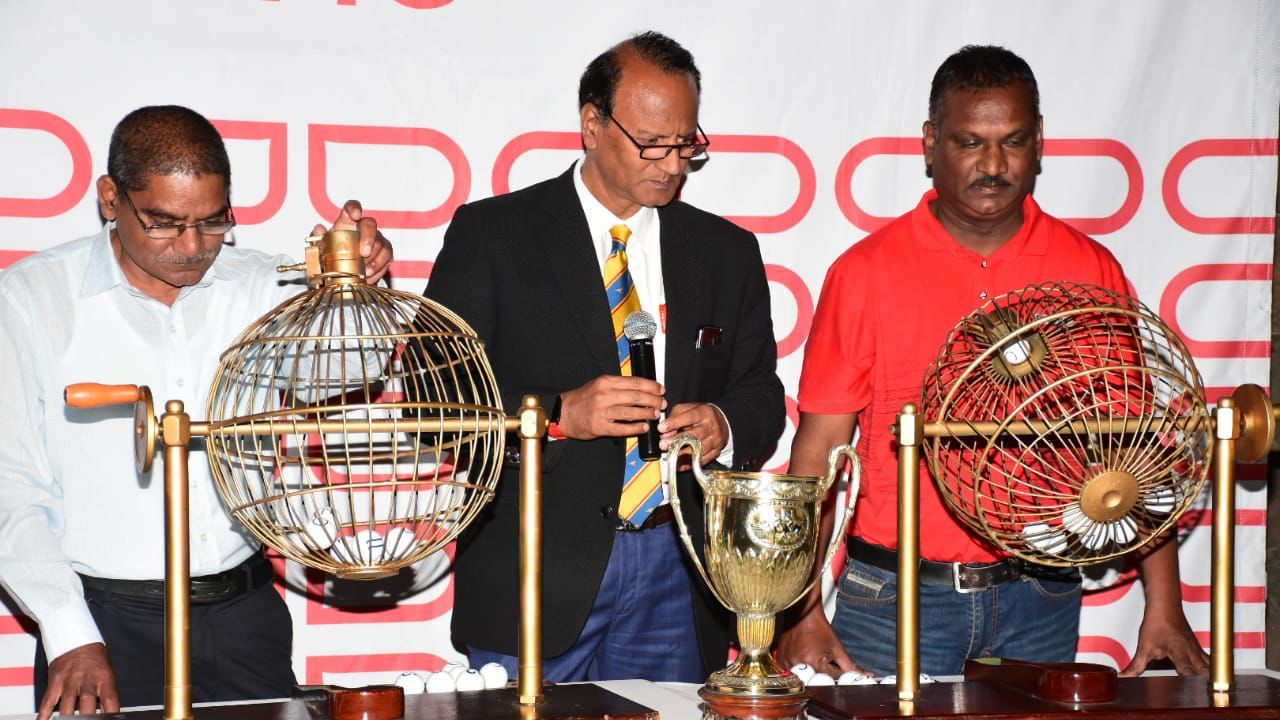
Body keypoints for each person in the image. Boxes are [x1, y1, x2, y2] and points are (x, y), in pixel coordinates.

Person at [776, 45, 1209, 679]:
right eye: (970, 143)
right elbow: (819, 454)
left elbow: (1135, 445)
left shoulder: (1090, 270)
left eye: (1012, 142)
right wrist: (800, 607)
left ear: (1039, 142)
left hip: (1043, 597)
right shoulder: (864, 273)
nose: (993, 165)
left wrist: (1164, 604)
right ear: (931, 144)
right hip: (894, 599)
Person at [0, 105, 392, 719]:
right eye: (164, 223)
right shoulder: (32, 298)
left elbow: (355, 369)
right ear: (111, 198)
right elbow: (11, 485)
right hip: (104, 625)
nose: (191, 247)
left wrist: (353, 288)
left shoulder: (262, 283)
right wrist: (68, 630)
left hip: (245, 615)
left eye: (212, 223)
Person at [426, 31, 785, 681]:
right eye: (652, 143)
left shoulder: (725, 252)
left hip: (680, 576)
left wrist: (723, 424)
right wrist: (558, 414)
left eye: (686, 144)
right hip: (535, 577)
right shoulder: (493, 236)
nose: (672, 165)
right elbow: (434, 403)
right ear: (592, 124)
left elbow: (761, 392)